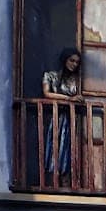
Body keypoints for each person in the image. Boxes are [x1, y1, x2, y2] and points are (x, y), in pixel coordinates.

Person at [41, 47, 84, 186]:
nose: (74, 64)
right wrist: (68, 99)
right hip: (56, 117)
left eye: (77, 62)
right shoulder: (50, 76)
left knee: (68, 149)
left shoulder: (77, 81)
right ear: (65, 59)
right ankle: (53, 181)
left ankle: (66, 181)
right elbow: (47, 93)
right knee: (54, 146)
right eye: (72, 60)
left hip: (71, 119)